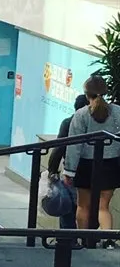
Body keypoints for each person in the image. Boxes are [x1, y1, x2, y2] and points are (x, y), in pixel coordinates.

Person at [62, 75, 120, 238]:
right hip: (110, 164)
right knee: (103, 207)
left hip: (86, 165)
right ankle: (108, 240)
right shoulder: (117, 112)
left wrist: (69, 171)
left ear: (86, 94)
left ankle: (83, 239)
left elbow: (74, 145)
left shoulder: (81, 115)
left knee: (83, 206)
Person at [47, 94, 90, 229]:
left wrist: (52, 170)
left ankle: (67, 238)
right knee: (90, 205)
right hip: (96, 169)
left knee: (69, 205)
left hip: (73, 170)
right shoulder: (98, 123)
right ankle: (88, 238)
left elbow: (59, 148)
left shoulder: (69, 122)